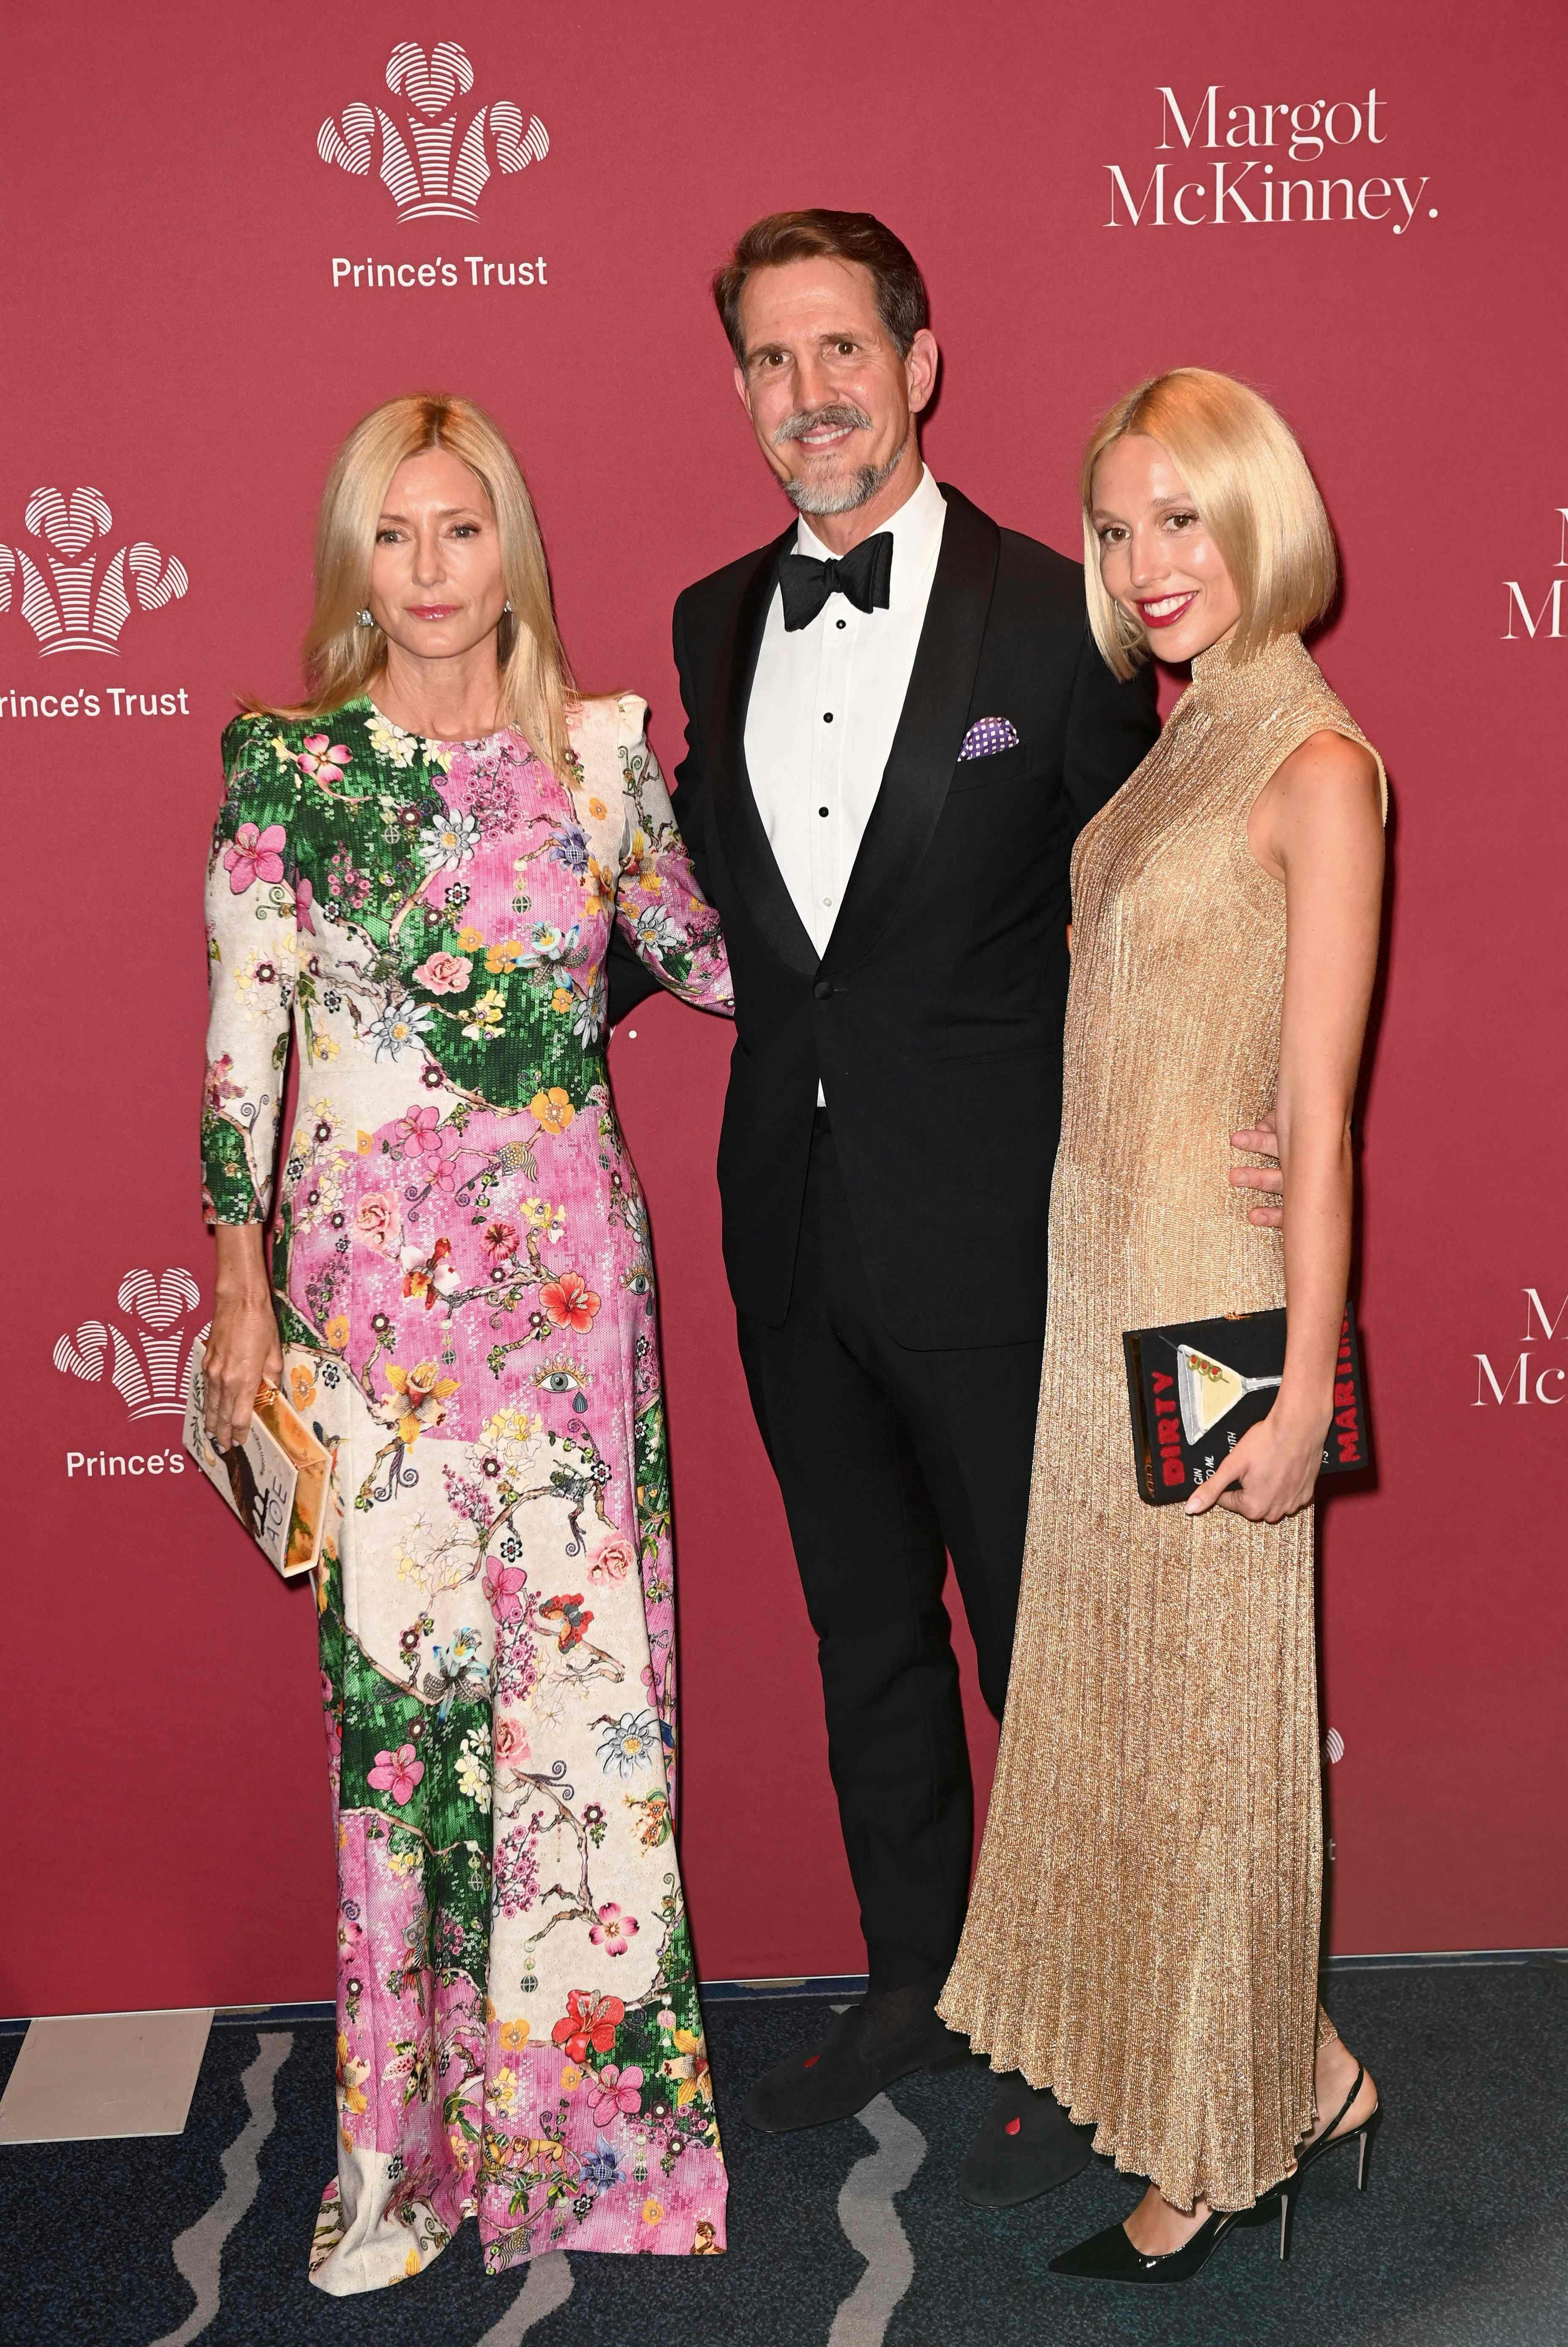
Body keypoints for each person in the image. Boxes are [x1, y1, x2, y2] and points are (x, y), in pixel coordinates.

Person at [607, 214, 1282, 2193]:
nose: (806, 394)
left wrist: (1235, 1099)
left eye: (840, 350)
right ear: (737, 385)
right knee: (862, 1637)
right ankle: (922, 1972)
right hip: (788, 1226)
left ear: (918, 359)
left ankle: (1113, 2008)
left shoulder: (1058, 607)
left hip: (1009, 1232)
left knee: (1047, 1641)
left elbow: (1167, 881)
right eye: (766, 360)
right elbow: (695, 909)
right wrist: (466, 984)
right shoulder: (710, 619)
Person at [199, 395, 731, 2290]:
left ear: (513, 545)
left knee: (583, 1726)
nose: (430, 574)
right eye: (395, 536)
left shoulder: (601, 760)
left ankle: (591, 2151)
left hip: (570, 1299)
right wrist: (239, 1275)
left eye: (462, 530)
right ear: (359, 559)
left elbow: (727, 956)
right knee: (403, 1729)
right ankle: (394, 2169)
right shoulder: (288, 767)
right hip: (374, 1320)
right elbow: (240, 1048)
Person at [939, 369, 1386, 2283]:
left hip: (1212, 1302)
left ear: (1255, 514)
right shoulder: (1172, 747)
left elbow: (1318, 1110)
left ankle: (1220, 2154)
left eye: (1178, 517)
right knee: (1132, 1717)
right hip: (1097, 1285)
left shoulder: (1317, 767)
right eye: (1117, 529)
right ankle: (1300, 2068)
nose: (1144, 562)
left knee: (1209, 1728)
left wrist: (1296, 1395)